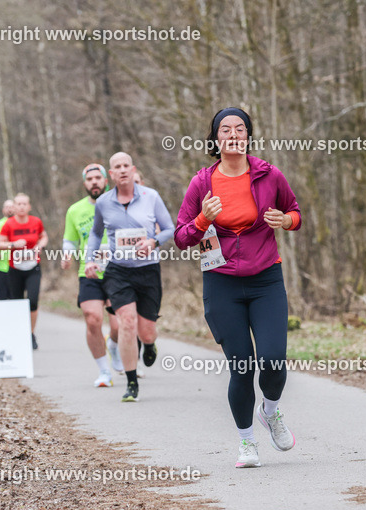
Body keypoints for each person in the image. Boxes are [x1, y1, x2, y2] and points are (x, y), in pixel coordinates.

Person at [174, 107, 301, 468]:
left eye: (240, 128)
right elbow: (181, 237)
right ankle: (247, 442)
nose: (233, 134)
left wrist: (286, 220)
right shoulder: (202, 183)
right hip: (222, 284)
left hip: (265, 280)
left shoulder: (268, 174)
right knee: (242, 366)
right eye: (225, 129)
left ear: (248, 136)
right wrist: (203, 219)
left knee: (274, 358)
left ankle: (271, 412)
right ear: (215, 139)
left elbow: (295, 212)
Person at [85, 152, 174, 402]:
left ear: (133, 170)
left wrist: (153, 241)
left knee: (146, 331)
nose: (122, 170)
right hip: (118, 270)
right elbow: (95, 233)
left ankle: (148, 344)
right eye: (117, 167)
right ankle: (132, 382)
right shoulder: (103, 202)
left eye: (126, 166)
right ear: (111, 174)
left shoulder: (151, 197)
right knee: (127, 321)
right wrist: (90, 259)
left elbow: (170, 228)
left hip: (148, 270)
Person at [63, 163, 122, 387]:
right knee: (92, 318)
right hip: (88, 271)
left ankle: (114, 348)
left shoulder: (117, 203)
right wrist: (67, 255)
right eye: (90, 179)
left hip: (117, 270)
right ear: (85, 183)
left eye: (98, 178)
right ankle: (104, 371)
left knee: (117, 326)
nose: (94, 182)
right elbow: (70, 239)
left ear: (106, 181)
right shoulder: (75, 210)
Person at [0, 193, 46, 350]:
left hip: (33, 268)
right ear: (14, 207)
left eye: (25, 204)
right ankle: (19, 333)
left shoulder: (36, 222)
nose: (22, 206)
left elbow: (44, 236)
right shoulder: (9, 224)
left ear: (29, 206)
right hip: (15, 269)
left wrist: (40, 245)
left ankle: (30, 333)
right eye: (19, 204)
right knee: (16, 303)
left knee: (33, 300)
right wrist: (13, 244)